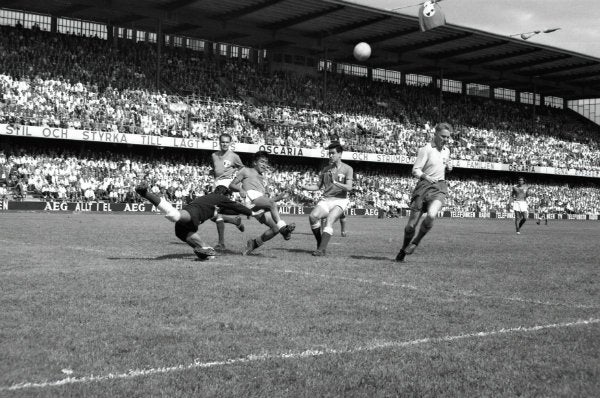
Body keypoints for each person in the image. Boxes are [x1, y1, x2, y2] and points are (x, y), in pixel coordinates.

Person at [134, 183, 264, 260]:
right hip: (193, 214)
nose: (228, 199)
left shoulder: (211, 201)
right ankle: (146, 194)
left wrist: (237, 221)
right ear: (225, 195)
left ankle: (207, 251)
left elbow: (224, 214)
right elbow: (236, 207)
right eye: (228, 197)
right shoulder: (220, 197)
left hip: (184, 227)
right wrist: (253, 213)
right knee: (174, 215)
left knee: (204, 249)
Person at [395, 123, 453, 262]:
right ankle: (403, 249)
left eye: (448, 137)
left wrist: (449, 167)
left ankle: (415, 243)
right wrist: (427, 177)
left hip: (439, 187)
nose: (446, 139)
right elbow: (415, 170)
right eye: (443, 136)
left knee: (432, 215)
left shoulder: (447, 151)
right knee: (410, 226)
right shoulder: (426, 149)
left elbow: (444, 165)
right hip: (423, 186)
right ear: (435, 134)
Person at [228, 151, 295, 255]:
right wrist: (240, 189)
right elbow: (231, 185)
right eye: (262, 162)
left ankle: (254, 243)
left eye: (266, 163)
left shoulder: (263, 179)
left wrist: (280, 197)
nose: (265, 165)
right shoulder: (245, 170)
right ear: (255, 162)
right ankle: (284, 229)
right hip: (251, 199)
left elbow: (268, 200)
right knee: (278, 222)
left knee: (275, 229)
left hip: (259, 203)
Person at [300, 142, 353, 256]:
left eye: (333, 153)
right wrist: (306, 187)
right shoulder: (325, 169)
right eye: (329, 153)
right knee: (312, 217)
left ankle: (320, 250)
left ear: (340, 154)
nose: (330, 156)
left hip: (340, 200)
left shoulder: (348, 169)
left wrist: (336, 183)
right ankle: (320, 243)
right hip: (326, 199)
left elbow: (349, 187)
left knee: (329, 220)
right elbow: (318, 187)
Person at [211, 133, 246, 250]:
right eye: (223, 142)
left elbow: (242, 169)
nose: (225, 144)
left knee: (213, 210)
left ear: (230, 143)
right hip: (217, 184)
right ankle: (235, 220)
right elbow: (217, 170)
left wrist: (237, 182)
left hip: (226, 186)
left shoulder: (234, 156)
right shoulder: (214, 155)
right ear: (219, 142)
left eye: (227, 142)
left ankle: (221, 244)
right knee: (212, 215)